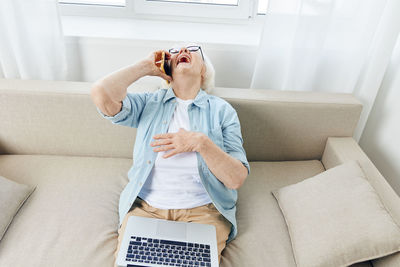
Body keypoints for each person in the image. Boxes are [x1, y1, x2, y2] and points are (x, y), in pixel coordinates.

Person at [90, 42, 250, 266]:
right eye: (175, 51)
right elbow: (101, 94)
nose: (183, 51)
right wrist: (145, 66)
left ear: (204, 70)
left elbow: (236, 178)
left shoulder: (222, 111)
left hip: (204, 213)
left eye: (193, 50)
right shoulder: (148, 103)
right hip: (146, 210)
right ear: (167, 70)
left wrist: (200, 142)